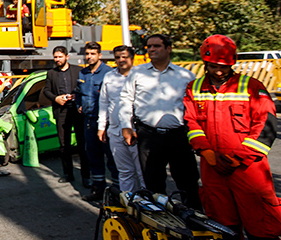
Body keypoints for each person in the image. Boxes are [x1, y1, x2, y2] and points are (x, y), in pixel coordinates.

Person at [184, 34, 281, 240]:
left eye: (224, 65)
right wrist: (208, 153)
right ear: (206, 62)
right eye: (214, 65)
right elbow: (192, 123)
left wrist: (237, 158)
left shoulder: (253, 87)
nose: (220, 70)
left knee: (263, 231)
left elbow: (266, 128)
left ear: (232, 63)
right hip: (213, 170)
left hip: (249, 171)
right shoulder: (194, 88)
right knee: (226, 230)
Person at [118, 33, 201, 208]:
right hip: (148, 136)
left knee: (188, 182)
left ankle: (193, 221)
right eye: (149, 46)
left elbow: (195, 107)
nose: (151, 50)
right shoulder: (137, 73)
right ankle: (159, 222)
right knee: (153, 183)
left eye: (156, 46)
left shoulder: (185, 76)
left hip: (179, 137)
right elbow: (126, 100)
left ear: (168, 49)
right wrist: (126, 126)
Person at [97, 45, 144, 193]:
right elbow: (103, 102)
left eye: (124, 57)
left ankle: (148, 206)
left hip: (137, 131)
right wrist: (101, 127)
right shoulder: (109, 77)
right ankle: (129, 203)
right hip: (115, 130)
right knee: (124, 171)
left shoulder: (141, 76)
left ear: (132, 57)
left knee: (142, 172)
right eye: (117, 57)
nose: (120, 60)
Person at [76, 41, 116, 202]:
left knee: (112, 158)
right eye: (87, 54)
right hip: (89, 121)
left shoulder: (109, 73)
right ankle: (98, 190)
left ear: (100, 55)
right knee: (93, 156)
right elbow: (78, 91)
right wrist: (79, 105)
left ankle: (117, 193)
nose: (89, 57)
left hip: (106, 123)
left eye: (93, 54)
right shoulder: (83, 73)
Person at [42, 45, 87, 185]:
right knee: (64, 145)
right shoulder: (51, 73)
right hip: (61, 111)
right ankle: (68, 174)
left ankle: (86, 176)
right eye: (55, 57)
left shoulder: (78, 71)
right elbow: (46, 90)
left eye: (60, 57)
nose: (57, 59)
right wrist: (56, 98)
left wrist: (76, 97)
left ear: (67, 57)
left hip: (77, 111)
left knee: (82, 144)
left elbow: (84, 88)